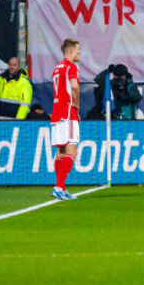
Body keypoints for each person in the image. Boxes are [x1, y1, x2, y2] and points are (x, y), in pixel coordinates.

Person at [50, 38, 81, 201]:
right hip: (68, 111)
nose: (79, 52)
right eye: (77, 50)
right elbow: (74, 86)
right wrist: (76, 105)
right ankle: (59, 186)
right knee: (72, 151)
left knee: (61, 151)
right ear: (70, 51)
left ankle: (60, 187)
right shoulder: (71, 66)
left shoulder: (57, 68)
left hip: (57, 112)